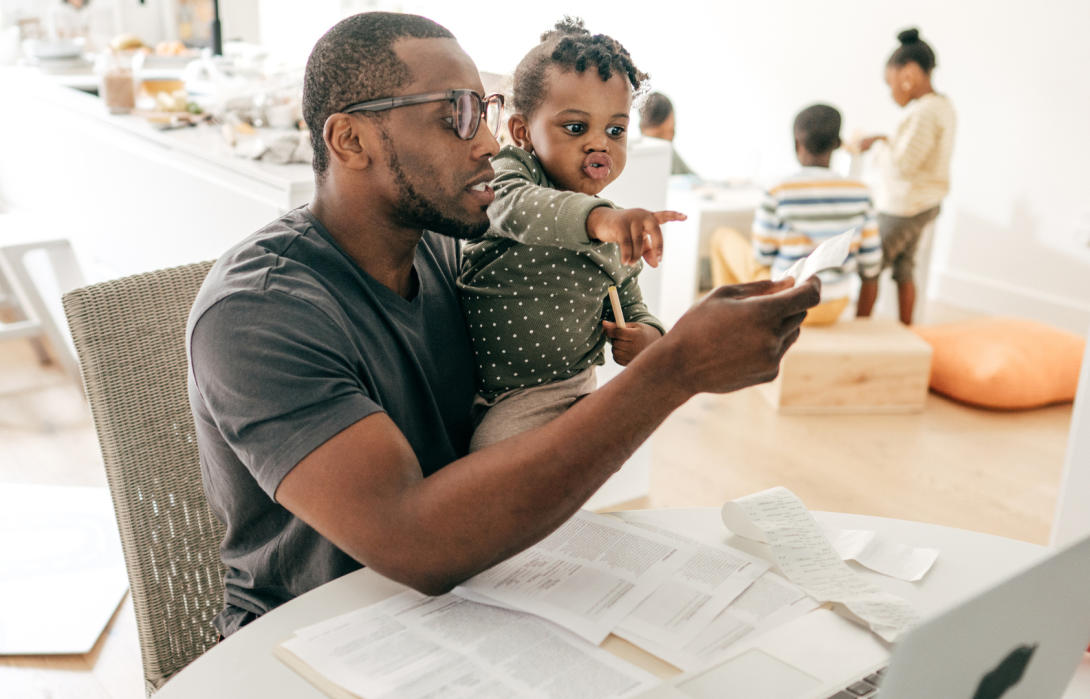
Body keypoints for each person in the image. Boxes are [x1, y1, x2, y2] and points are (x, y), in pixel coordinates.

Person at [186, 11, 820, 639]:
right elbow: (418, 543)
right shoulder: (256, 314)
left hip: (471, 603)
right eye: (456, 115)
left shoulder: (444, 249)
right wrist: (673, 370)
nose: (489, 143)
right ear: (351, 141)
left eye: (484, 110)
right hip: (313, 640)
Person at [457, 17, 683, 451]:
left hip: (557, 390)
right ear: (522, 131)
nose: (600, 145)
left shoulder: (611, 228)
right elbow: (514, 207)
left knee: (500, 475)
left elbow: (631, 301)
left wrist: (647, 336)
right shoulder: (514, 173)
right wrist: (600, 221)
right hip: (471, 379)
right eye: (577, 128)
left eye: (615, 131)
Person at [710, 104, 881, 325]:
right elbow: (871, 266)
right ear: (838, 144)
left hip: (786, 301)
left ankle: (730, 321)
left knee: (721, 237)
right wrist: (861, 326)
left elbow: (763, 255)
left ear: (796, 143)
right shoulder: (861, 192)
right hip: (834, 306)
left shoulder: (778, 190)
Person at [854, 28, 956, 325]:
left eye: (891, 83)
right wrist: (885, 139)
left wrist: (880, 146)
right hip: (926, 202)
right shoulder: (944, 106)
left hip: (904, 206)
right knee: (905, 268)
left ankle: (858, 330)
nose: (891, 92)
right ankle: (907, 329)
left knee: (870, 266)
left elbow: (903, 166)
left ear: (908, 74)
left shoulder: (923, 112)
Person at [639, 91, 696, 175]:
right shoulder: (634, 160)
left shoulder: (672, 156)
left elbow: (694, 179)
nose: (667, 139)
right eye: (659, 135)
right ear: (642, 129)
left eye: (672, 132)